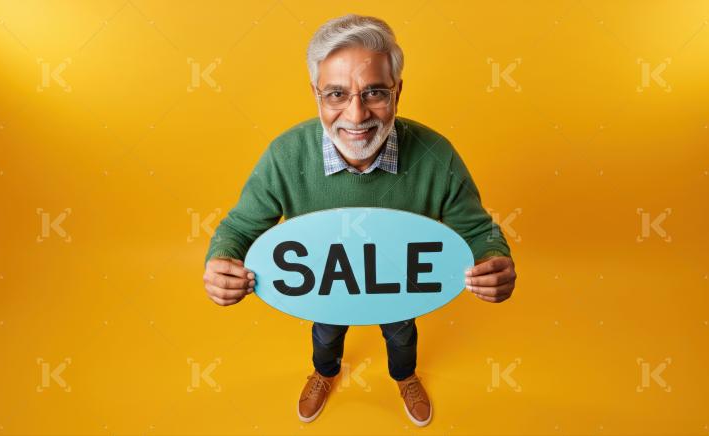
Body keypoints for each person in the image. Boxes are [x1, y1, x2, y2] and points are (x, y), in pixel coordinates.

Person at [202, 14, 516, 427]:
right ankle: (324, 372)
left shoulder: (436, 154)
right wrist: (222, 259)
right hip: (324, 287)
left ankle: (404, 377)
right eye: (336, 94)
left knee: (401, 333)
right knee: (326, 331)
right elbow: (239, 229)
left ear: (397, 90)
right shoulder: (285, 156)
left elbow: (478, 230)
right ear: (316, 94)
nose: (356, 114)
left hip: (401, 287)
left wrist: (494, 257)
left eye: (374, 92)